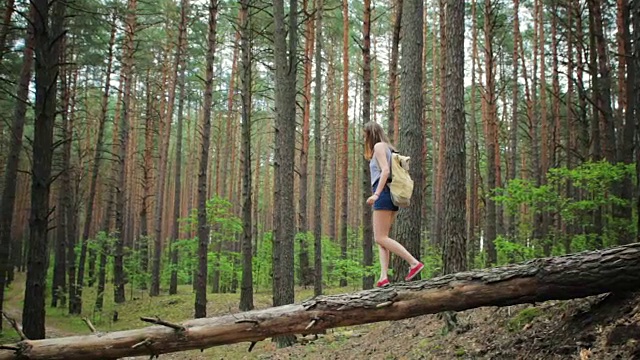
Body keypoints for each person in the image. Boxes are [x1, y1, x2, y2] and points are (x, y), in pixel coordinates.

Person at [364, 121, 423, 287]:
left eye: (365, 135)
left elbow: (386, 170)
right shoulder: (389, 148)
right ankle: (383, 277)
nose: (364, 138)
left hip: (382, 193)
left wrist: (376, 194)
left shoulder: (379, 147)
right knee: (383, 239)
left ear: (370, 133)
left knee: (380, 237)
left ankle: (413, 263)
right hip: (389, 194)